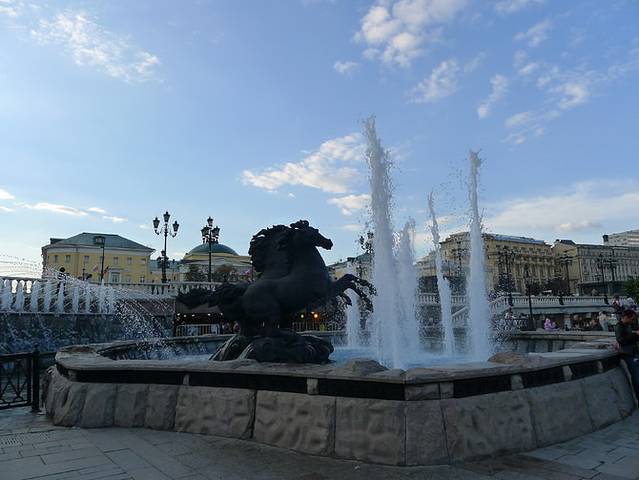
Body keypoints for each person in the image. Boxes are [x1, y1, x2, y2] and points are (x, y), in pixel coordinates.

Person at [614, 309, 639, 399]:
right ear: (626, 317)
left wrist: (636, 335)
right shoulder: (619, 326)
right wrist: (635, 335)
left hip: (634, 353)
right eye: (632, 319)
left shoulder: (627, 325)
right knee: (637, 379)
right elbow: (621, 340)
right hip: (629, 355)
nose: (633, 321)